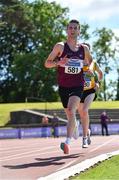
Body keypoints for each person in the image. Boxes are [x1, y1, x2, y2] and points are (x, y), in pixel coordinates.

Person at [44, 19, 92, 154]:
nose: (73, 30)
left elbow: (89, 61)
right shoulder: (60, 46)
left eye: (75, 28)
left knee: (71, 110)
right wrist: (59, 62)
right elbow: (47, 63)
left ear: (79, 31)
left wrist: (86, 67)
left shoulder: (84, 49)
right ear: (67, 30)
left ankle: (67, 142)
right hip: (63, 86)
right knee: (69, 114)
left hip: (78, 85)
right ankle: (74, 125)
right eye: (70, 28)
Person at [78, 43, 103, 148]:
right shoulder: (77, 62)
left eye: (86, 49)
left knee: (85, 110)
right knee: (82, 116)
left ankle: (84, 139)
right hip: (78, 91)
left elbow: (101, 74)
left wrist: (98, 83)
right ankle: (87, 131)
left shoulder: (94, 63)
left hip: (90, 91)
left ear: (89, 50)